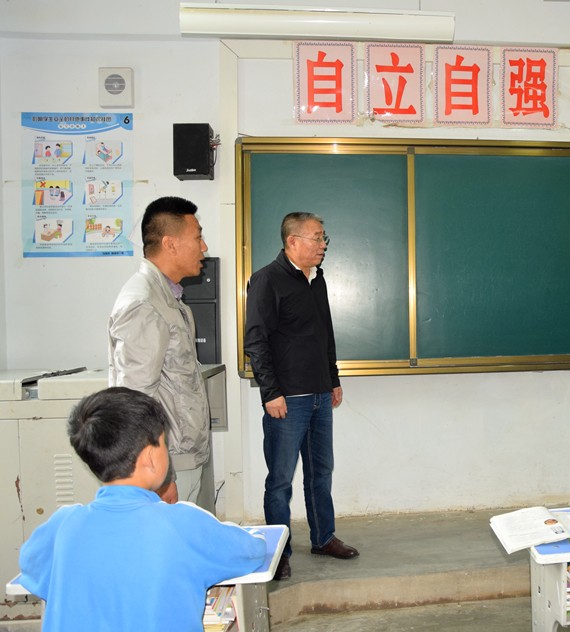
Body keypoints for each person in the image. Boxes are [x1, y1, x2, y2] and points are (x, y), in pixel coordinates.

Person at [18, 387, 266, 632]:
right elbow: (251, 551)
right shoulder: (183, 523)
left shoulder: (62, 523)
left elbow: (31, 567)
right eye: (164, 443)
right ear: (149, 457)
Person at [244, 211, 357, 581]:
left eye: (324, 237)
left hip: (320, 394)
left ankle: (323, 538)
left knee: (320, 472)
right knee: (280, 481)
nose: (323, 244)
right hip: (287, 400)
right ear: (292, 241)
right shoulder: (267, 280)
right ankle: (278, 553)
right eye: (317, 237)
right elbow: (256, 341)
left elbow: (325, 334)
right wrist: (271, 393)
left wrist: (332, 378)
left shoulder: (317, 280)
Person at [108, 196, 212, 509]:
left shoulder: (168, 299)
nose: (204, 247)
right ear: (170, 244)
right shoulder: (144, 304)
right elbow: (134, 399)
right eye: (198, 237)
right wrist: (160, 475)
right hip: (166, 467)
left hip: (180, 458)